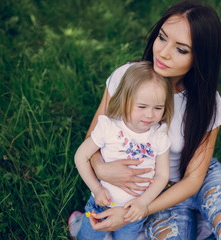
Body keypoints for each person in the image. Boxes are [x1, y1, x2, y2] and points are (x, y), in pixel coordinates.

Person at [69, 0, 221, 239]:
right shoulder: (126, 77)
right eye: (162, 38)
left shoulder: (209, 102)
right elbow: (94, 137)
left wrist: (140, 209)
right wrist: (102, 170)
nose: (163, 52)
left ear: (200, 57)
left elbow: (194, 179)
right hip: (160, 192)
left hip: (196, 178)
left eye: (181, 49)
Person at [73, 61, 174, 240]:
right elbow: (81, 156)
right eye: (142, 107)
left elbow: (162, 175)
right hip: (101, 205)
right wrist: (96, 189)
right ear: (124, 100)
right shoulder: (109, 127)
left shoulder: (159, 135)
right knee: (88, 237)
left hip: (133, 211)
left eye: (158, 108)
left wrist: (143, 203)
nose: (150, 115)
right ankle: (80, 228)